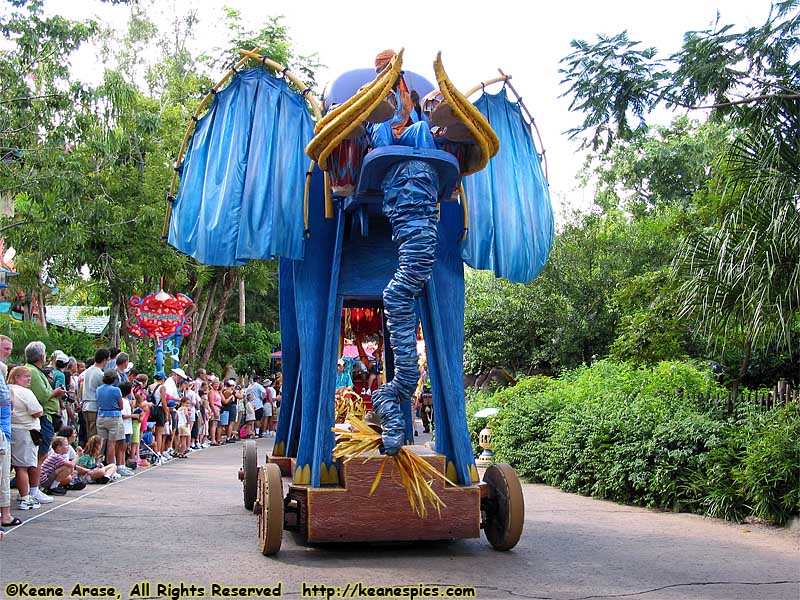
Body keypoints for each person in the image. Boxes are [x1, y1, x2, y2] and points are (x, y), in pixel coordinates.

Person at [367, 49, 435, 150]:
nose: (400, 75)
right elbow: (366, 121)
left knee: (422, 126)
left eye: (401, 72)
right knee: (382, 123)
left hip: (403, 133)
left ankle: (429, 160)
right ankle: (383, 157)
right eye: (396, 71)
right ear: (385, 73)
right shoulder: (371, 92)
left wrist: (416, 106)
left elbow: (416, 121)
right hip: (384, 133)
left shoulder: (405, 96)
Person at [24, 341, 66, 505]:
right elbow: (42, 396)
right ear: (41, 356)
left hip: (45, 417)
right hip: (43, 417)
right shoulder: (33, 372)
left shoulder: (35, 371)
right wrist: (55, 392)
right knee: (39, 456)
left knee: (39, 455)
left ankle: (33, 488)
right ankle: (34, 489)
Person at [8, 365, 45, 509]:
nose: (28, 379)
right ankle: (25, 497)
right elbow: (37, 412)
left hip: (12, 429)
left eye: (29, 376)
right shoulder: (25, 392)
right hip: (25, 431)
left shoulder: (7, 389)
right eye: (25, 376)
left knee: (14, 465)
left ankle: (23, 493)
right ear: (16, 377)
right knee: (22, 466)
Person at [0, 339, 16, 530]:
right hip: (2, 431)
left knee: (4, 473)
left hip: (5, 430)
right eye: (6, 348)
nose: (8, 352)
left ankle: (5, 513)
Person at [95, 369, 125, 470]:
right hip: (114, 416)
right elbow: (121, 406)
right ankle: (110, 466)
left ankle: (97, 464)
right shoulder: (116, 390)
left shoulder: (98, 389)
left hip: (101, 415)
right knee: (112, 443)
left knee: (101, 442)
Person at [80, 348, 110, 441]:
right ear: (104, 360)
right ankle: (94, 454)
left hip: (85, 405)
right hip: (94, 406)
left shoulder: (87, 371)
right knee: (95, 435)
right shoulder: (100, 374)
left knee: (89, 433)